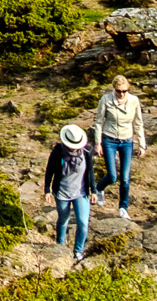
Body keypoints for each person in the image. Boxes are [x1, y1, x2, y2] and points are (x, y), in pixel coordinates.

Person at [93, 74, 147, 220]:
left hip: (127, 140)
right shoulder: (105, 100)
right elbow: (98, 122)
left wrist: (142, 144)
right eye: (119, 91)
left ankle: (123, 208)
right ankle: (99, 188)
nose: (121, 94)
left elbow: (138, 123)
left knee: (125, 178)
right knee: (112, 176)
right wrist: (98, 143)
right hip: (109, 139)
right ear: (114, 89)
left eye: (124, 90)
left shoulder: (134, 101)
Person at [43, 123, 94, 261]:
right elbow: (50, 171)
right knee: (64, 219)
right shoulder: (58, 151)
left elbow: (90, 172)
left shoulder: (87, 151)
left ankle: (78, 250)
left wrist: (94, 191)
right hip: (62, 192)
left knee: (83, 222)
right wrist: (47, 190)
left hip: (81, 192)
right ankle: (60, 244)